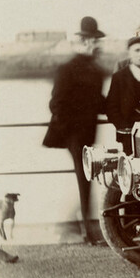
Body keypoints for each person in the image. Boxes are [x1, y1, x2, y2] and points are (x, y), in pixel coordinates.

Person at [42, 16, 107, 244]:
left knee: (88, 175)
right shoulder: (67, 68)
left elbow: (100, 103)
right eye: (86, 39)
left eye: (93, 39)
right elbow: (56, 103)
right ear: (80, 41)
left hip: (89, 132)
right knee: (84, 175)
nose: (90, 43)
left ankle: (86, 224)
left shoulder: (97, 71)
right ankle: (88, 230)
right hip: (74, 134)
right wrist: (69, 129)